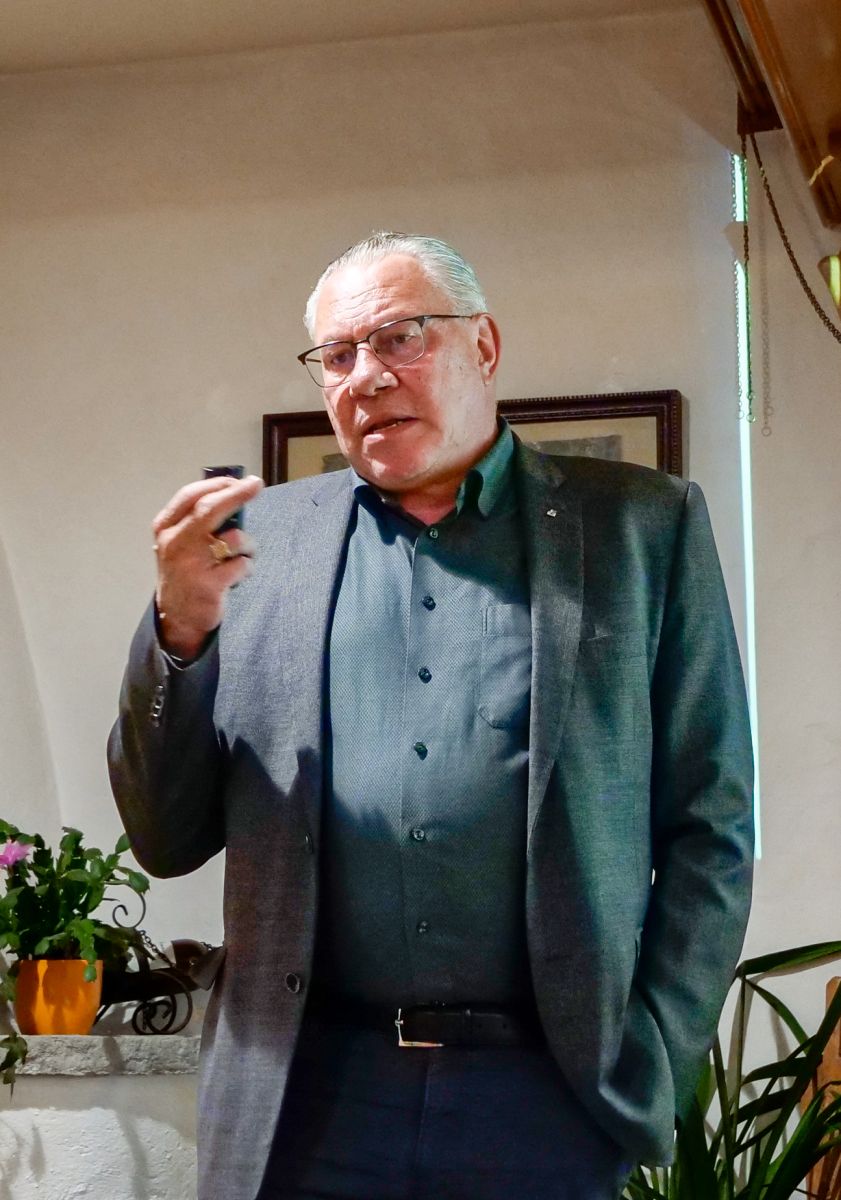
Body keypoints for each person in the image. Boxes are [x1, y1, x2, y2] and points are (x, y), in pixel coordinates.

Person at [108, 232, 754, 1200]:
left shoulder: (638, 525)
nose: (367, 376)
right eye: (338, 355)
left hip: (544, 1093)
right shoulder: (259, 546)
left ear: (482, 345)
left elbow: (711, 823)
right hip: (308, 1093)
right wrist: (180, 628)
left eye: (399, 337)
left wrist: (654, 1044)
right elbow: (165, 838)